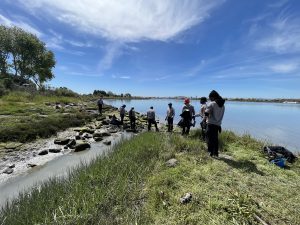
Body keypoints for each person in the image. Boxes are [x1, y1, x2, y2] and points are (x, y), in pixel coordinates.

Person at [204, 90, 225, 157]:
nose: (209, 99)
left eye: (210, 97)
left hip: (211, 123)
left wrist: (204, 120)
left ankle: (210, 152)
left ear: (213, 97)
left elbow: (206, 113)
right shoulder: (223, 105)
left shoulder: (212, 103)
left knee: (209, 138)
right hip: (218, 124)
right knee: (215, 138)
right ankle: (216, 152)